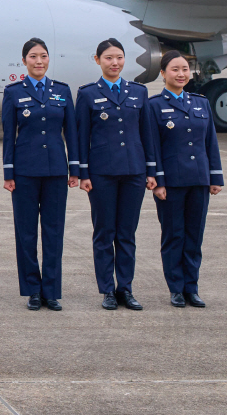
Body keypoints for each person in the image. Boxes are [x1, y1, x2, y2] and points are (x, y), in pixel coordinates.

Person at [77, 38, 157, 311]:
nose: (115, 63)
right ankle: (107, 290)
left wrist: (150, 170)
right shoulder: (88, 94)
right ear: (97, 60)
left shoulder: (138, 92)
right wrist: (83, 173)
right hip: (102, 173)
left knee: (126, 233)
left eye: (119, 57)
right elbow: (82, 137)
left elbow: (147, 134)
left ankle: (126, 288)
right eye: (109, 58)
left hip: (134, 171)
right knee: (104, 232)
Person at [1, 38, 79, 312]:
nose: (39, 61)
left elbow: (71, 132)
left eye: (43, 56)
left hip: (56, 170)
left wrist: (74, 169)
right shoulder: (13, 92)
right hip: (25, 171)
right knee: (26, 232)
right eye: (33, 56)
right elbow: (8, 135)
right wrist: (8, 172)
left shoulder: (61, 90)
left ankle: (51, 291)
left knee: (54, 231)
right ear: (24, 61)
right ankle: (33, 290)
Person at [151, 51, 224, 308]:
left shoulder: (200, 103)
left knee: (194, 236)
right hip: (171, 182)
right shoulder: (154, 106)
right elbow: (153, 147)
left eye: (185, 69)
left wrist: (215, 176)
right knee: (174, 236)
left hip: (199, 179)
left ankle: (191, 288)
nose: (181, 74)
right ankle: (176, 289)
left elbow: (210, 142)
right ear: (163, 73)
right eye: (175, 69)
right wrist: (158, 181)